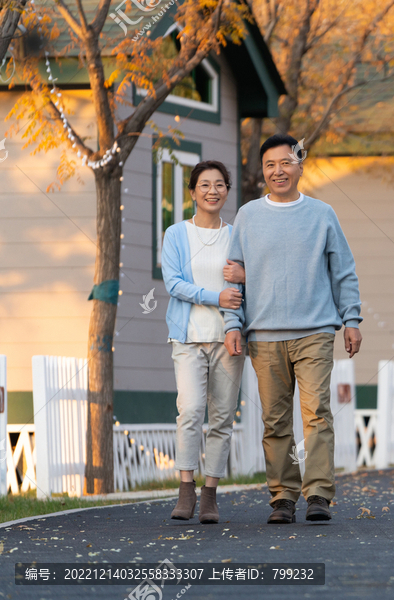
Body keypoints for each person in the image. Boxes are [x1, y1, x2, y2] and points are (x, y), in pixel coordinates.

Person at [222, 133, 363, 524]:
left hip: (315, 330)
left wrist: (351, 319)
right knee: (275, 420)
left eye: (285, 162)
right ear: (263, 171)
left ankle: (318, 493)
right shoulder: (248, 216)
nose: (277, 171)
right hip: (264, 335)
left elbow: (344, 271)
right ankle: (282, 496)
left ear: (299, 165)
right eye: (270, 165)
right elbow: (233, 277)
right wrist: (233, 323)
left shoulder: (322, 214)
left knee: (317, 412)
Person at [161, 160, 245, 524]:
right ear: (192, 192)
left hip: (228, 339)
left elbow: (242, 288)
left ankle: (210, 493)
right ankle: (186, 487)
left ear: (227, 190)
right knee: (191, 410)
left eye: (220, 185)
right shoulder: (176, 234)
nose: (213, 191)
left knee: (223, 417)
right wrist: (216, 296)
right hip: (188, 338)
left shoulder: (236, 235)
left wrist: (234, 312)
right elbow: (174, 284)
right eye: (205, 185)